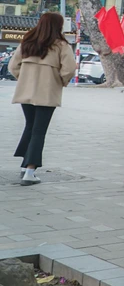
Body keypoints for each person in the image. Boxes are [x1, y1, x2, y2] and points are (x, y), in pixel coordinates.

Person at [10, 12, 75, 185]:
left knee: (30, 126)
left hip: (26, 93)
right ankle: (30, 172)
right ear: (58, 26)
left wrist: (24, 80)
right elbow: (69, 69)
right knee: (39, 130)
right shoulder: (61, 45)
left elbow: (12, 66)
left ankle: (24, 166)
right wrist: (59, 81)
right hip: (47, 93)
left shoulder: (27, 43)